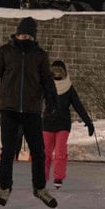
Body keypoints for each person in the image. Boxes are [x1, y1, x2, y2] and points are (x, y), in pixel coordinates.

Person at [0, 17, 59, 209]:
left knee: (38, 152)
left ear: (34, 37)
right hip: (9, 109)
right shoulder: (5, 52)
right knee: (8, 151)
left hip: (32, 110)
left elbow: (48, 81)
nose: (25, 37)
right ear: (17, 34)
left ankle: (40, 188)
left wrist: (52, 102)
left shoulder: (40, 56)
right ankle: (4, 188)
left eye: (29, 35)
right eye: (22, 34)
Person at [42, 60, 94, 189]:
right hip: (48, 123)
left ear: (64, 72)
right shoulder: (47, 86)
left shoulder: (69, 88)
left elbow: (78, 105)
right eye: (54, 71)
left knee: (60, 151)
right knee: (45, 152)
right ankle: (42, 177)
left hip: (63, 124)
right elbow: (35, 100)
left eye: (60, 71)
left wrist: (88, 122)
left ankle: (58, 176)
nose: (57, 74)